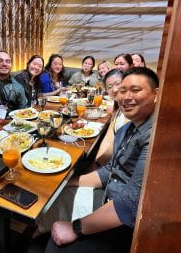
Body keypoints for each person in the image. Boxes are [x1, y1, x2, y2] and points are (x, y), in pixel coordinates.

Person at [37, 67, 159, 253]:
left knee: (55, 246)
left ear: (156, 94)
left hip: (126, 222)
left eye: (135, 90)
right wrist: (70, 182)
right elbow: (110, 170)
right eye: (122, 91)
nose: (126, 97)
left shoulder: (155, 137)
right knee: (51, 199)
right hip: (108, 196)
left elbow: (132, 201)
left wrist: (76, 228)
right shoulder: (128, 129)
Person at [94, 69, 129, 167]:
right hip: (107, 164)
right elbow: (108, 138)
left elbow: (112, 151)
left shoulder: (130, 112)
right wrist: (96, 162)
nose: (114, 89)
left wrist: (96, 166)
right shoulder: (119, 109)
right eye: (109, 87)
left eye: (118, 84)